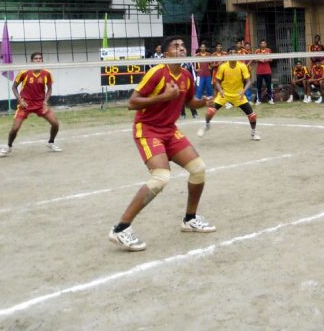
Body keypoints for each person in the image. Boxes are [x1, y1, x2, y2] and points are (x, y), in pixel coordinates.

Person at [108, 36, 216, 252]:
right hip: (148, 129)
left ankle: (189, 219)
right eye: (176, 46)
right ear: (166, 53)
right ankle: (120, 229)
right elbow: (132, 103)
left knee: (198, 169)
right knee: (161, 177)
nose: (181, 49)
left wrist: (203, 102)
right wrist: (164, 97)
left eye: (183, 46)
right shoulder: (157, 72)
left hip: (169, 130)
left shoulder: (186, 75)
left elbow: (188, 102)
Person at [0, 51, 62, 157]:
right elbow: (14, 87)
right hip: (25, 104)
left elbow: (49, 89)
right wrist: (20, 100)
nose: (38, 60)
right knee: (15, 128)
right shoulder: (24, 72)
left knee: (55, 123)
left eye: (40, 59)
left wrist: (45, 102)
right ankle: (8, 146)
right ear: (31, 61)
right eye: (36, 59)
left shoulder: (46, 73)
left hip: (40, 104)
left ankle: (51, 143)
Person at [202, 55, 260, 141]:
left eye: (234, 53)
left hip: (238, 95)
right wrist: (220, 91)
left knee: (252, 116)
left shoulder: (242, 66)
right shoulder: (222, 67)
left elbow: (248, 81)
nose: (233, 55)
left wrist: (243, 91)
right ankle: (207, 125)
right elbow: (217, 81)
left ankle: (253, 133)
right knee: (210, 112)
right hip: (224, 95)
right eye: (231, 53)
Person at [253, 40, 274, 105]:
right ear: (260, 44)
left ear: (266, 44)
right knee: (259, 86)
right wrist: (260, 60)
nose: (263, 44)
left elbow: (271, 59)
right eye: (262, 43)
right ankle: (258, 100)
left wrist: (266, 59)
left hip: (267, 71)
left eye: (264, 43)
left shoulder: (269, 50)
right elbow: (254, 59)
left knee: (269, 86)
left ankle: (270, 99)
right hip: (259, 71)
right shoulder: (257, 51)